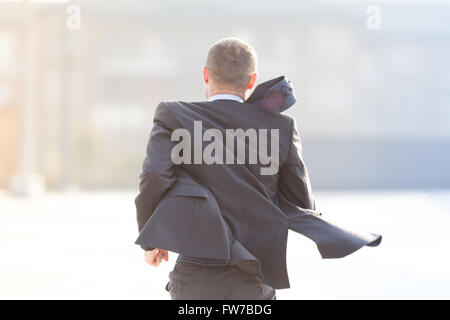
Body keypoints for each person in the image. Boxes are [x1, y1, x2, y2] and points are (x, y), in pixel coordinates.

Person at [134, 38, 381, 300]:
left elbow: (155, 175)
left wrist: (151, 239)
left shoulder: (173, 116)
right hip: (251, 281)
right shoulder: (281, 128)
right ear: (252, 81)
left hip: (194, 280)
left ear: (206, 74)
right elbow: (301, 202)